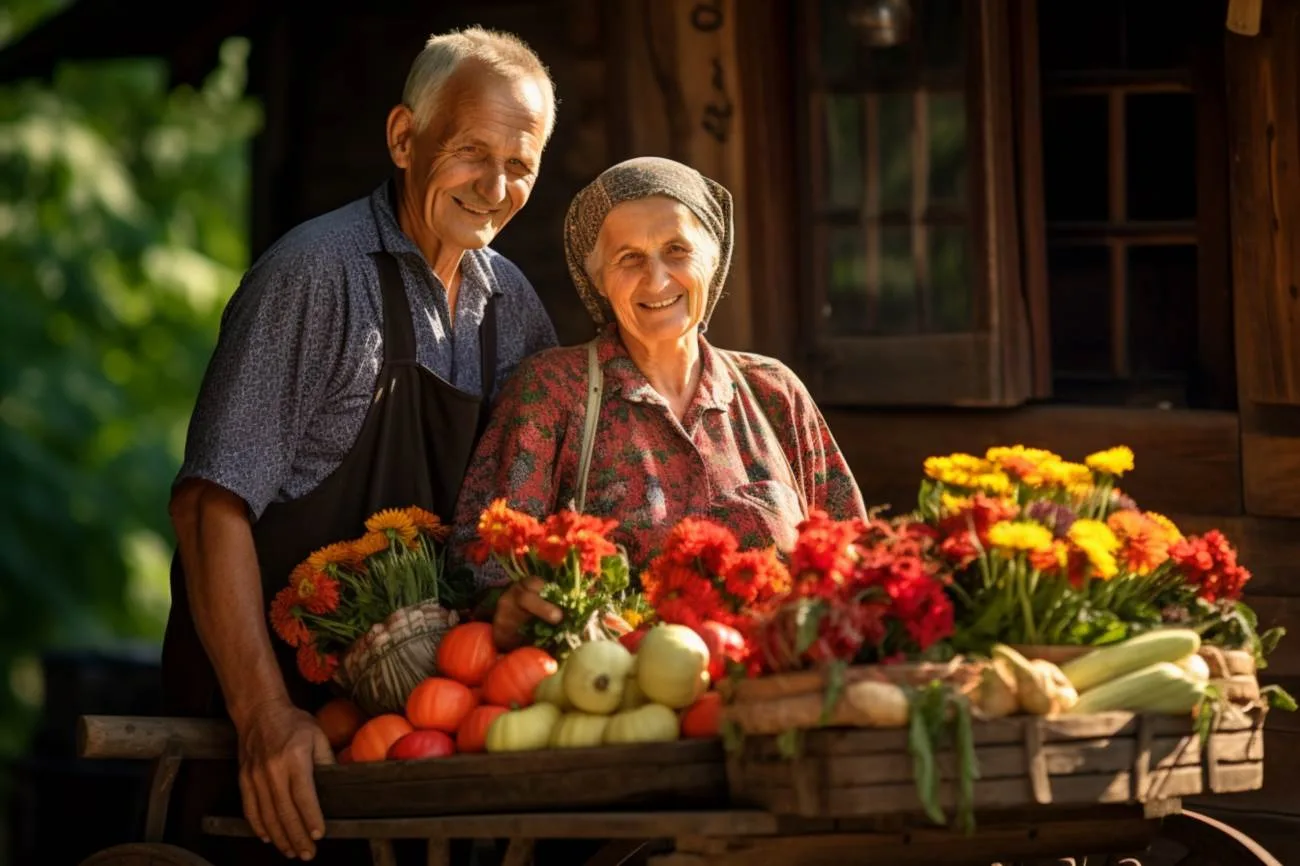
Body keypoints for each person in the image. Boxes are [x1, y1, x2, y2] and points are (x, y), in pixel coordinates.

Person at [162, 27, 559, 863]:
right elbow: (210, 507)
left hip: (413, 746)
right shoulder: (315, 274)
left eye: (520, 165)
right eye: (470, 152)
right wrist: (265, 716)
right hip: (273, 742)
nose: (495, 186)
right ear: (404, 138)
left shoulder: (511, 307)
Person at [451, 156, 868, 653]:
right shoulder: (551, 393)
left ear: (712, 261)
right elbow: (478, 569)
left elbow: (853, 558)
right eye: (628, 258)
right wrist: (509, 605)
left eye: (677, 250)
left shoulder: (774, 393)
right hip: (620, 705)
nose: (656, 279)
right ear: (598, 281)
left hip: (778, 694)